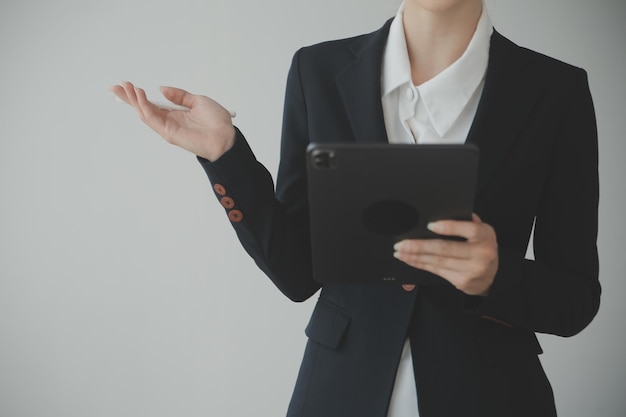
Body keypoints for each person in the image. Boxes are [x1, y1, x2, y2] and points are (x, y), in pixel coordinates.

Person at [109, 0, 600, 415]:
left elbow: (575, 298)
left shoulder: (557, 91)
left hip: (493, 397)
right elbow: (299, 273)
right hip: (338, 391)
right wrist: (225, 156)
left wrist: (496, 276)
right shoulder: (316, 71)